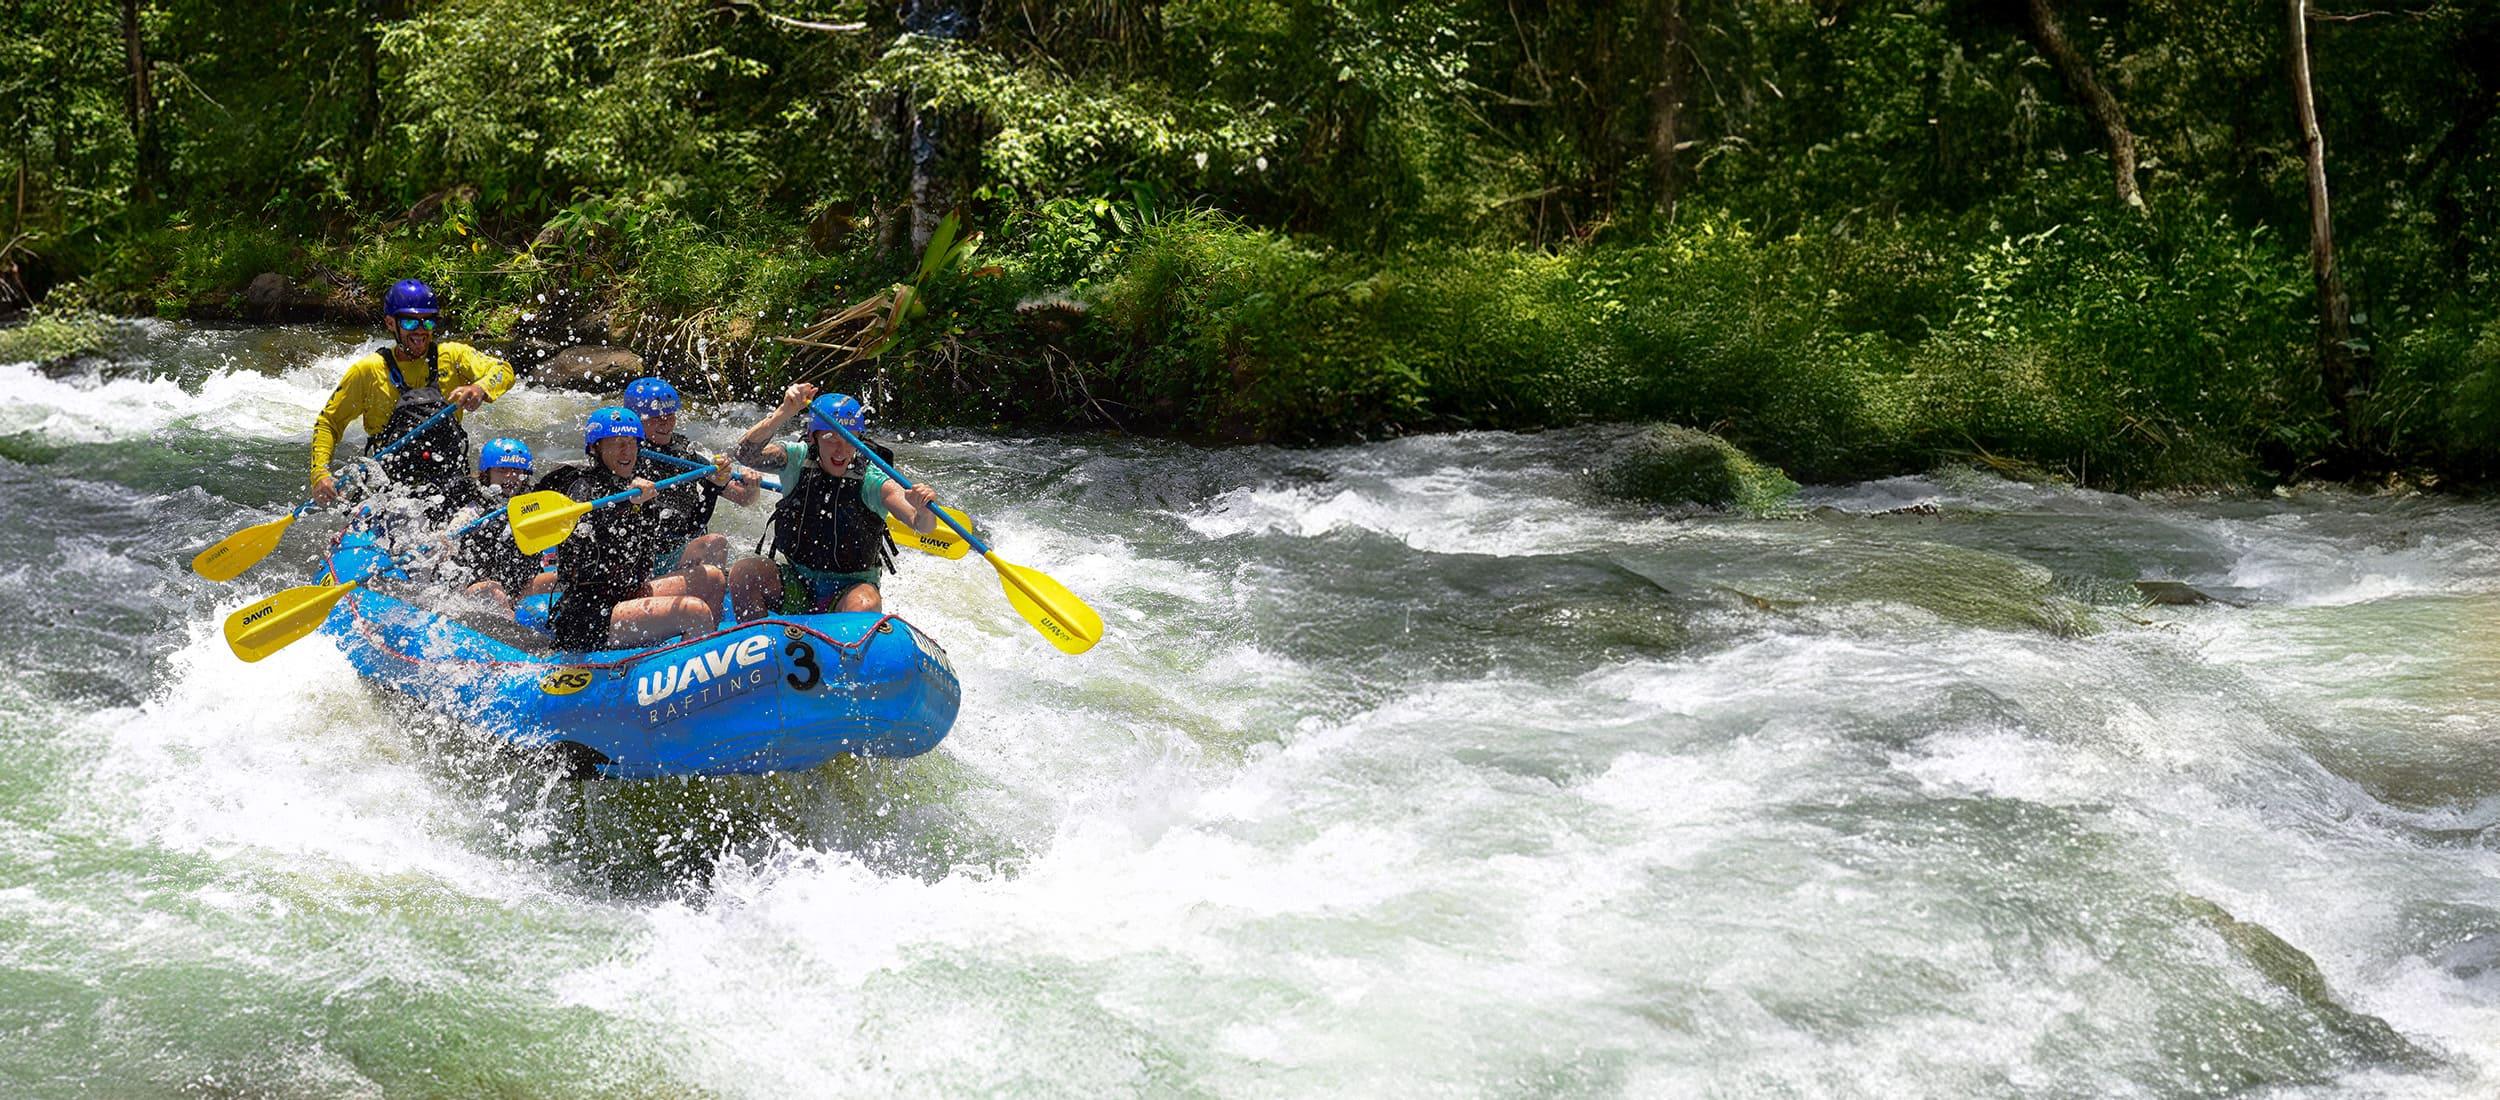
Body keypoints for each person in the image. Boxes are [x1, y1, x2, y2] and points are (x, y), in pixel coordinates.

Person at [726, 384, 940, 619]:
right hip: (797, 581)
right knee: (744, 572)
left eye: (849, 439)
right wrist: (784, 412)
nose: (841, 450)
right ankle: (758, 638)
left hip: (849, 589)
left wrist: (924, 510)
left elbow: (921, 525)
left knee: (865, 604)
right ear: (813, 437)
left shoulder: (873, 480)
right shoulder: (796, 458)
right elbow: (744, 454)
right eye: (830, 438)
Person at [307, 279, 517, 516]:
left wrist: (480, 388)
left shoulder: (453, 356)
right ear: (390, 323)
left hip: (448, 480)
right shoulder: (367, 371)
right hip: (390, 488)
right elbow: (329, 423)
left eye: (428, 321)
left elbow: (504, 370)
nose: (420, 330)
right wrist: (320, 473)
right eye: (410, 322)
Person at [533, 406, 719, 650]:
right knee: (695, 612)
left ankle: (715, 651)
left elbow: (684, 531)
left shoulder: (638, 488)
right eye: (618, 443)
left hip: (629, 594)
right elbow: (584, 539)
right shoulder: (580, 486)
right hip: (589, 614)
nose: (627, 451)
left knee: (713, 578)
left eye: (632, 442)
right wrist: (625, 503)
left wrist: (713, 487)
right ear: (596, 448)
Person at [621, 376, 760, 580]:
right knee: (715, 543)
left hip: (682, 550)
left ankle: (708, 586)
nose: (665, 422)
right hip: (648, 561)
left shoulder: (683, 451)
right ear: (635, 419)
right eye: (655, 416)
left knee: (716, 545)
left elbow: (743, 498)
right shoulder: (625, 457)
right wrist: (712, 487)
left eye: (670, 414)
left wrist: (752, 486)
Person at [442, 437, 557, 610]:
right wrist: (445, 540)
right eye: (502, 470)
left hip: (520, 587)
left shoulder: (532, 505)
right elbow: (451, 533)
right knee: (495, 590)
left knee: (558, 577)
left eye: (516, 470)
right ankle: (509, 615)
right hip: (478, 585)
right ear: (486, 474)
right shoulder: (474, 508)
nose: (511, 476)